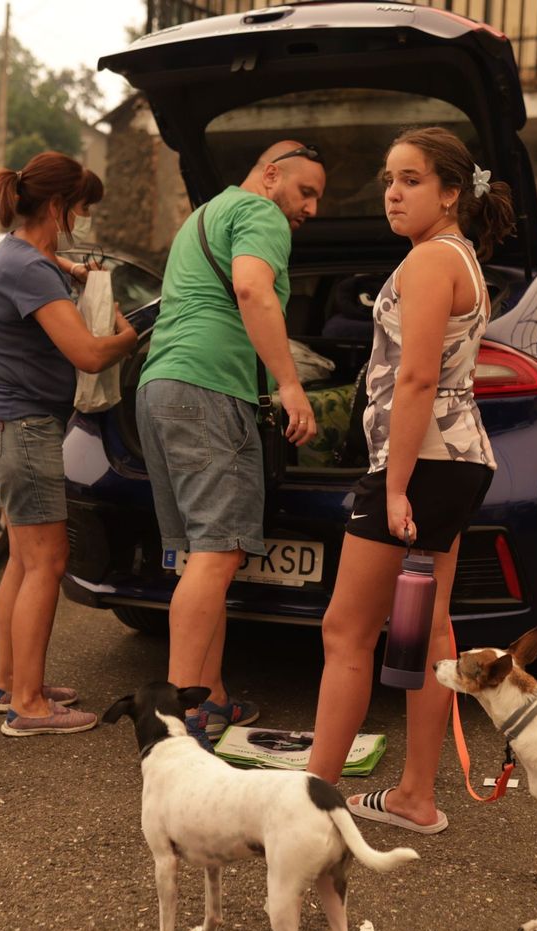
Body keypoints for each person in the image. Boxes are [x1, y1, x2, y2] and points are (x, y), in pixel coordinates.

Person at [304, 127, 517, 831]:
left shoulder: (430, 262)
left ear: (452, 193)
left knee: (346, 630)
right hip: (454, 460)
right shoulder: (460, 257)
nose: (392, 192)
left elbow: (419, 378)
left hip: (422, 464)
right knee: (428, 635)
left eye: (412, 180)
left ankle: (310, 804)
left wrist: (393, 487)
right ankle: (414, 798)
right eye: (388, 178)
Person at [136, 141, 325, 748]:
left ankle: (211, 698)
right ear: (271, 175)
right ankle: (172, 719)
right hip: (209, 392)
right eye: (306, 192)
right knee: (217, 556)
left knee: (202, 557)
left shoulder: (202, 216)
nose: (312, 209)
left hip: (159, 387)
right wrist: (290, 384)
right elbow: (251, 288)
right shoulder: (261, 213)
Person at [0, 150, 139, 737]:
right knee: (48, 561)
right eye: (82, 208)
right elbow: (89, 354)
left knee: (22, 559)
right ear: (62, 206)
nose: (83, 218)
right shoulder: (29, 269)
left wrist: (74, 272)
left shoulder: (24, 255)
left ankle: (11, 685)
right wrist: (128, 334)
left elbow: (44, 266)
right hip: (23, 428)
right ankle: (30, 708)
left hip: (1, 421)